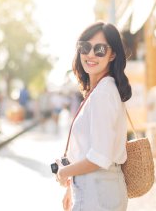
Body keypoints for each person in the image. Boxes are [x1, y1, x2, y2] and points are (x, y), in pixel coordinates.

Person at [55, 21, 132, 211]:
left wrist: (64, 172)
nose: (90, 54)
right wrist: (71, 187)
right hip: (98, 190)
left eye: (99, 49)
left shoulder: (103, 94)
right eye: (85, 47)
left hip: (97, 192)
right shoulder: (101, 90)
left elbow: (99, 157)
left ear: (112, 54)